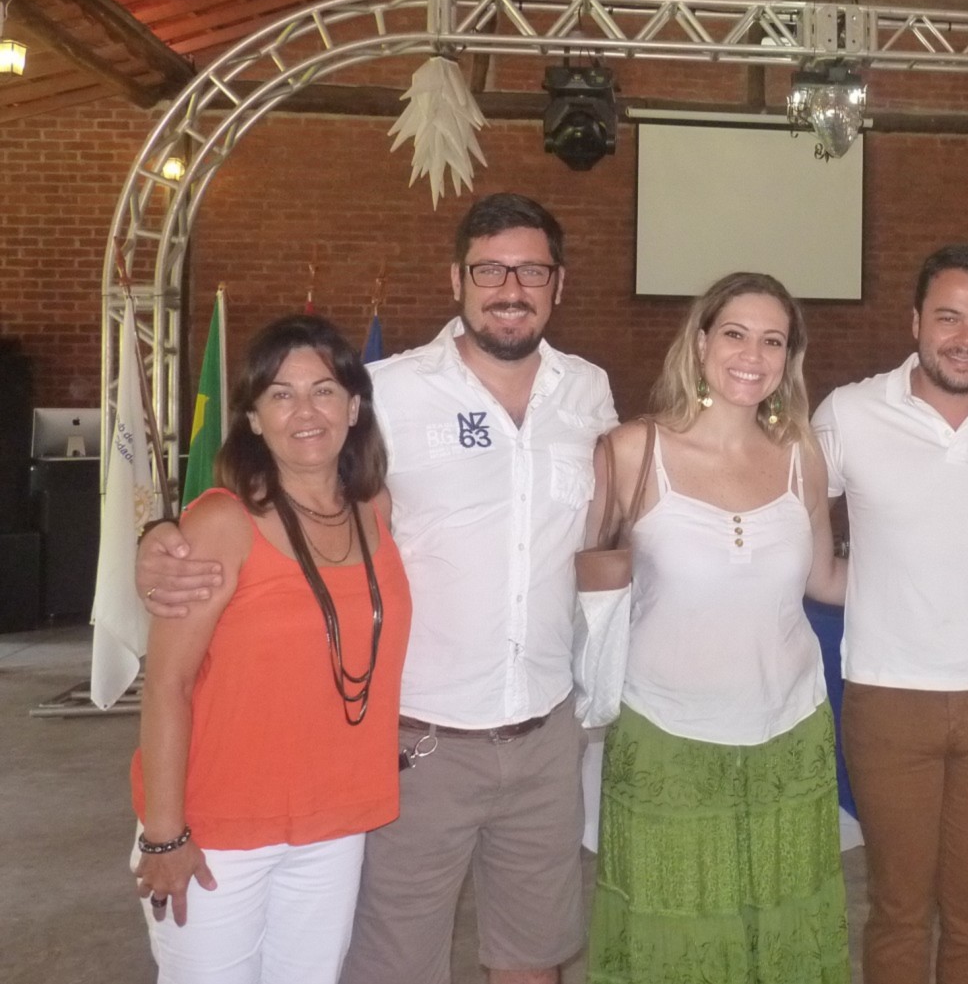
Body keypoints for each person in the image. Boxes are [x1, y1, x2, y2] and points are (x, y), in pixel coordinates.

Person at [138, 193, 618, 984]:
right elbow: (279, 490)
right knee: (395, 967)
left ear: (558, 283)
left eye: (532, 270)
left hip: (544, 735)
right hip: (415, 745)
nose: (510, 288)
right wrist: (162, 537)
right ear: (456, 279)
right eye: (490, 269)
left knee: (533, 961)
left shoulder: (589, 391)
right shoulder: (389, 392)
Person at [584, 272, 849, 983]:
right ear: (700, 342)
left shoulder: (802, 456)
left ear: (789, 356)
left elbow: (825, 580)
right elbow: (579, 585)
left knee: (782, 935)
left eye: (773, 341)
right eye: (735, 334)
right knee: (673, 940)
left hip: (788, 732)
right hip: (666, 736)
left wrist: (940, 577)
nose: (752, 356)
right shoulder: (632, 451)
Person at [131, 314, 412, 983]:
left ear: (354, 407)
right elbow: (167, 683)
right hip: (217, 830)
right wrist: (165, 835)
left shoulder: (375, 511)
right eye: (281, 394)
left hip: (334, 823)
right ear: (254, 418)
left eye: (323, 390)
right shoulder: (221, 522)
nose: (305, 411)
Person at [811, 245, 968, 984]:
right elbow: (799, 527)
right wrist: (850, 582)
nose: (966, 338)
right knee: (898, 909)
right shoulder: (848, 412)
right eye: (949, 317)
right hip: (888, 696)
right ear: (915, 320)